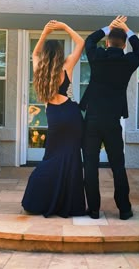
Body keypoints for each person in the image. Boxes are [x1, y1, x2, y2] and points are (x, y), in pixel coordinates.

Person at [80, 16, 139, 220]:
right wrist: (127, 29)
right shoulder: (128, 62)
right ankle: (124, 210)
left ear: (107, 42)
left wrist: (109, 27)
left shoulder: (97, 56)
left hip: (92, 120)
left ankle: (93, 210)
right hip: (112, 122)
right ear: (124, 44)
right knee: (118, 165)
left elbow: (89, 40)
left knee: (90, 165)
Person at [22, 20, 86, 218]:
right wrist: (66, 27)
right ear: (58, 54)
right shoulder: (66, 66)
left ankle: (38, 199)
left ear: (45, 55)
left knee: (51, 158)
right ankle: (70, 205)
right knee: (72, 159)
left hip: (55, 116)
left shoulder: (40, 70)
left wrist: (44, 32)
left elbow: (34, 53)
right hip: (72, 114)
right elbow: (81, 42)